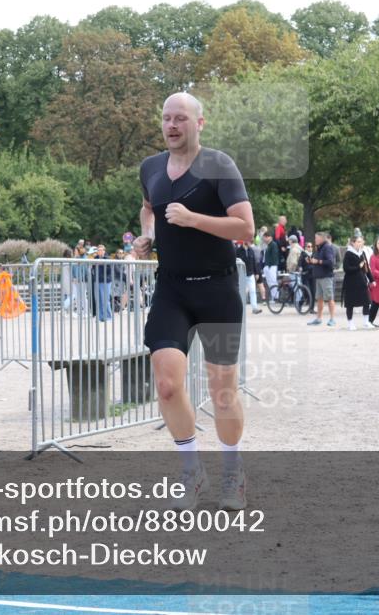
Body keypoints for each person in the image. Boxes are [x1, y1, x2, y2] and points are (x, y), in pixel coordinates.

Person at [133, 92, 254, 510]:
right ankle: (192, 472)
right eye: (166, 117)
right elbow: (148, 208)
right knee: (167, 384)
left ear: (199, 123)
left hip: (218, 290)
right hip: (172, 289)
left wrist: (192, 219)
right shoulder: (150, 167)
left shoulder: (219, 166)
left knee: (222, 390)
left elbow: (245, 227)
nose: (171, 125)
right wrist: (147, 236)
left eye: (180, 118)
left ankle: (233, 473)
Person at [341, 235, 372, 331]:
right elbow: (346, 268)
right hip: (351, 282)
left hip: (362, 281)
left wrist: (372, 280)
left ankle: (366, 322)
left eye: (361, 241)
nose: (360, 243)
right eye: (358, 242)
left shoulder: (362, 253)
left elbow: (366, 268)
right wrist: (358, 267)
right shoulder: (348, 253)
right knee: (350, 304)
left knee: (366, 301)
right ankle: (350, 323)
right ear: (353, 243)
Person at [307, 231, 337, 326]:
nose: (315, 240)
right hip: (319, 277)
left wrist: (318, 261)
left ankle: (332, 319)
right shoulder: (319, 248)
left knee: (329, 298)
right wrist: (310, 261)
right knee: (319, 298)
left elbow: (330, 262)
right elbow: (317, 261)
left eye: (316, 238)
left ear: (321, 239)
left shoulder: (327, 247)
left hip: (326, 277)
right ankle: (319, 318)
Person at [234, 240, 262, 314]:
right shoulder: (238, 251)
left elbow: (254, 262)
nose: (248, 241)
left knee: (253, 291)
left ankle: (254, 308)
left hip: (251, 274)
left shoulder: (251, 250)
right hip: (242, 274)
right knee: (242, 292)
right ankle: (240, 308)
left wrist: (256, 273)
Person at [92, 244, 114, 322]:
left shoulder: (108, 258)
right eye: (98, 250)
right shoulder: (95, 258)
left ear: (104, 251)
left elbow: (110, 270)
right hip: (97, 281)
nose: (100, 251)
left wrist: (102, 264)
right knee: (98, 299)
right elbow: (93, 268)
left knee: (105, 299)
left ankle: (108, 316)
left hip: (106, 281)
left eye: (101, 250)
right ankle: (100, 317)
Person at [261, 231, 280, 301]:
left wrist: (269, 265)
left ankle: (276, 297)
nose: (264, 239)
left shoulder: (273, 245)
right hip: (268, 266)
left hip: (272, 266)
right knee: (270, 282)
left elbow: (274, 256)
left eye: (265, 237)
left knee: (273, 281)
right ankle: (273, 296)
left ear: (269, 237)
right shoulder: (268, 245)